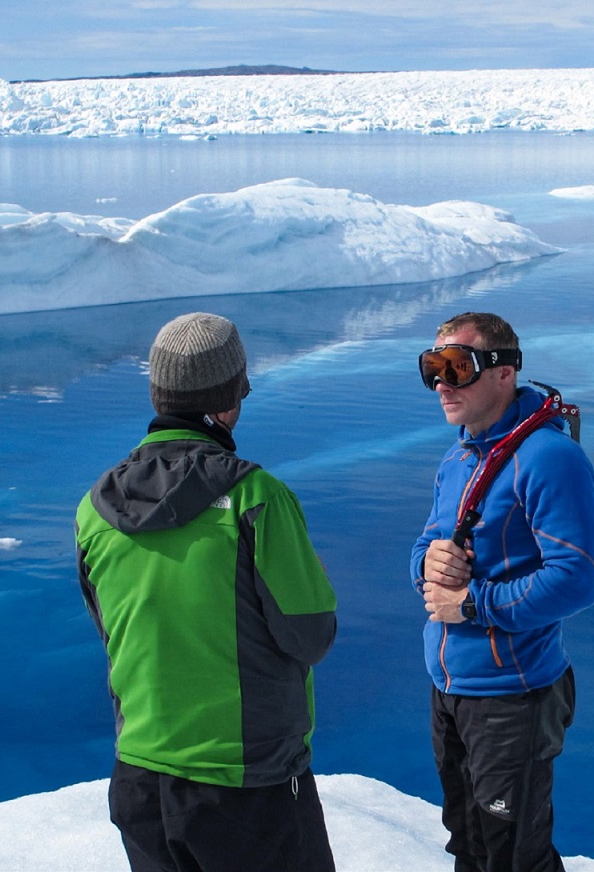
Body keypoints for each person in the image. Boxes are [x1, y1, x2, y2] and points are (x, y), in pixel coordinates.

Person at [76, 312, 338, 872]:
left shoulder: (96, 506)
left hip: (141, 778)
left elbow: (111, 628)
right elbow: (310, 634)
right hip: (248, 782)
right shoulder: (257, 497)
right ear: (227, 402)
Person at [411, 312, 594, 872]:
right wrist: (430, 561)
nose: (442, 383)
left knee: (514, 857)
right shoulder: (462, 455)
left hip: (511, 699)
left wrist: (471, 604)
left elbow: (577, 578)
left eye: (457, 367)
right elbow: (424, 545)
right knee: (470, 845)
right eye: (432, 368)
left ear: (504, 372)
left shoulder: (549, 459)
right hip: (450, 689)